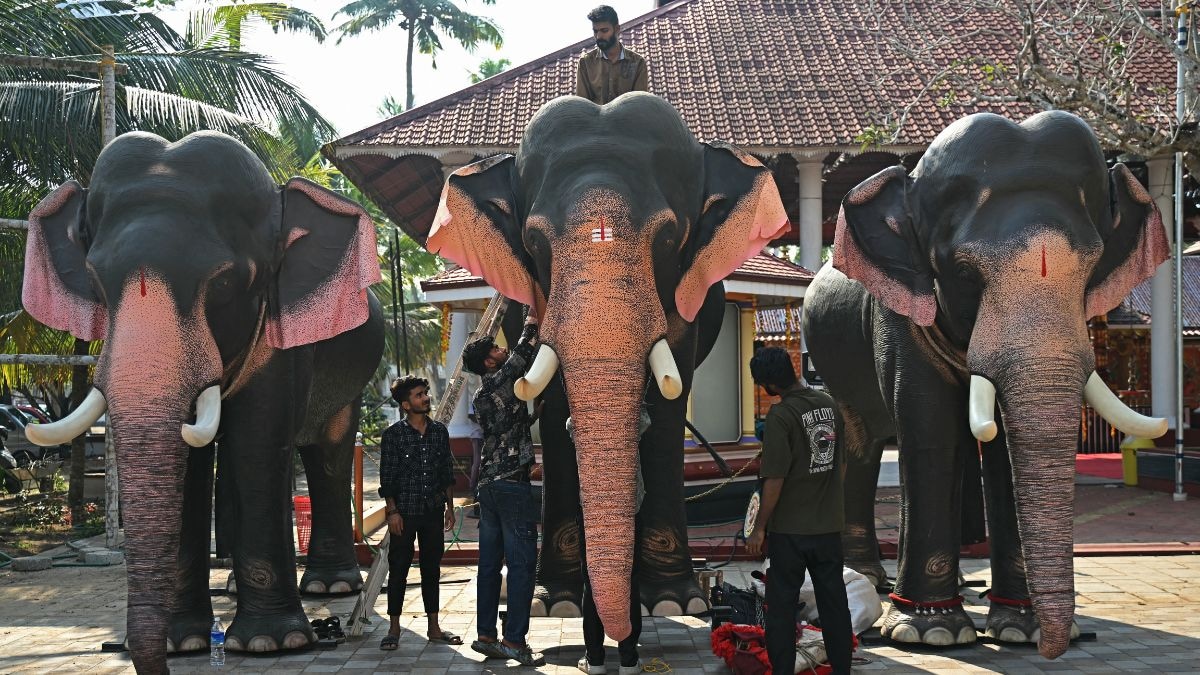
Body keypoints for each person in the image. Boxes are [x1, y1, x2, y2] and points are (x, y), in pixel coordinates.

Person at [746, 347, 852, 675]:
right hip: (828, 527)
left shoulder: (781, 416)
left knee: (781, 607)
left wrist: (760, 527)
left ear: (768, 385)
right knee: (835, 603)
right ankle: (842, 669)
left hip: (790, 531)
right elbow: (842, 465)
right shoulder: (828, 404)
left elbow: (774, 479)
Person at [462, 315, 546, 667]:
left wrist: (532, 418)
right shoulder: (503, 377)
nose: (502, 349)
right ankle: (514, 640)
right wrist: (531, 316)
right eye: (496, 348)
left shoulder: (484, 394)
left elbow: (504, 429)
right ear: (488, 362)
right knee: (523, 564)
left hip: (489, 487)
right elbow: (525, 351)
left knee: (489, 565)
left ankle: (486, 636)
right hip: (512, 484)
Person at [376, 375, 460, 651]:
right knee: (399, 567)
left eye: (425, 393)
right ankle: (394, 627)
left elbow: (446, 472)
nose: (426, 398)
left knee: (431, 569)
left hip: (432, 511)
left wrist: (449, 507)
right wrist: (392, 512)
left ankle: (434, 626)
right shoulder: (393, 436)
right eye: (419, 395)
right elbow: (387, 477)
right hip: (404, 512)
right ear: (405, 405)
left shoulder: (439, 432)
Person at [570, 412, 647, 675]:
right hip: (627, 505)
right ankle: (628, 658)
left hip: (592, 506)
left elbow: (571, 427)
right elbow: (644, 421)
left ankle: (595, 659)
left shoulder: (582, 413)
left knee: (593, 580)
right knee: (626, 579)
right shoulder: (631, 411)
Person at [576, 5, 648, 104]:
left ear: (617, 29)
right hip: (594, 120)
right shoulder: (585, 63)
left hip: (627, 119)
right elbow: (582, 105)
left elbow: (640, 104)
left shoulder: (637, 63)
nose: (599, 36)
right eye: (595, 31)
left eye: (604, 31)